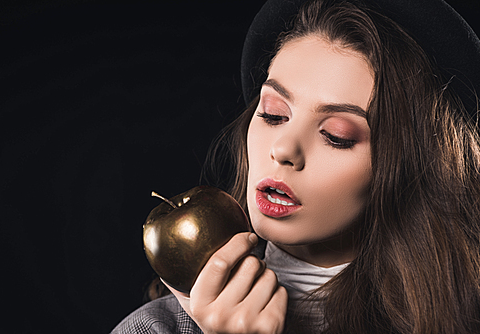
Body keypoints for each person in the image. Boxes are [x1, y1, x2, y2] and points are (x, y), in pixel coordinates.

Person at [112, 0, 480, 333]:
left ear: (410, 168)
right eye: (273, 114)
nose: (284, 148)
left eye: (336, 135)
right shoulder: (156, 328)